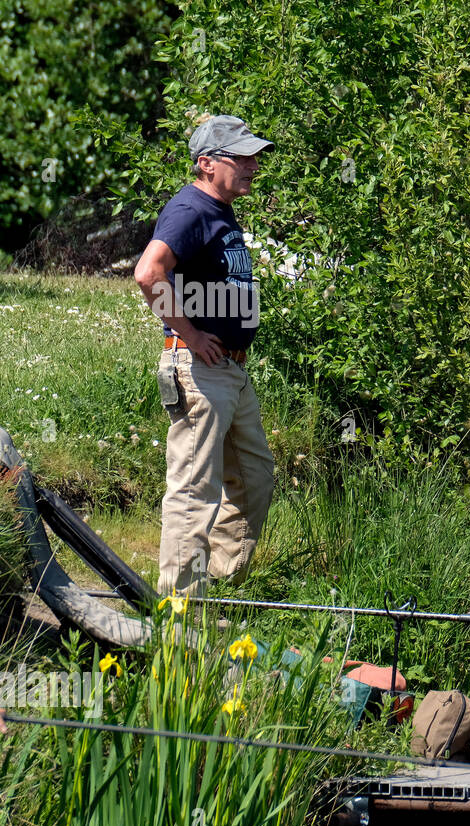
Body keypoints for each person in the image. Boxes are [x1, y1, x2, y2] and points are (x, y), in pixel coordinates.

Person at [134, 115, 275, 596]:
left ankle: (216, 585)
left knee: (256, 480)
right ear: (206, 163)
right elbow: (148, 272)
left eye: (254, 156)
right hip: (199, 369)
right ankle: (180, 620)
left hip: (230, 371)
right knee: (194, 497)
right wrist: (191, 335)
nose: (253, 165)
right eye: (242, 157)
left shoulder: (221, 211)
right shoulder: (191, 209)